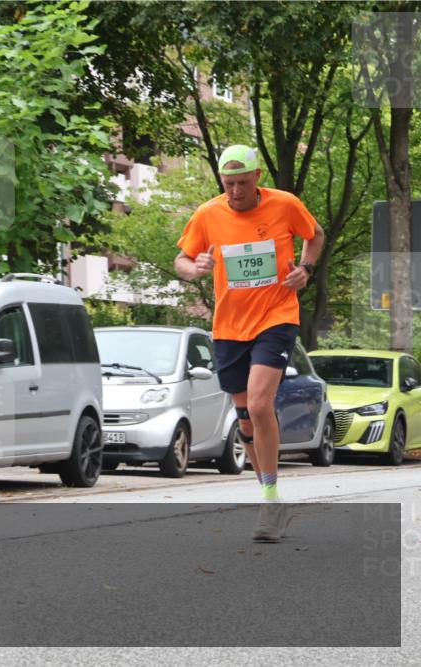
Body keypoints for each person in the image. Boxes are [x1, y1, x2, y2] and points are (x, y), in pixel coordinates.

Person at [174, 145, 325, 542]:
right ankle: (270, 495)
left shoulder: (285, 205)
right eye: (229, 184)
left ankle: (271, 502)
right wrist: (196, 268)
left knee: (260, 404)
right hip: (228, 327)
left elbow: (316, 235)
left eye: (242, 183)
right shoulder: (209, 214)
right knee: (244, 420)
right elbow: (182, 261)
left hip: (276, 317)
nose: (236, 191)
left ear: (258, 177)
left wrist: (305, 270)